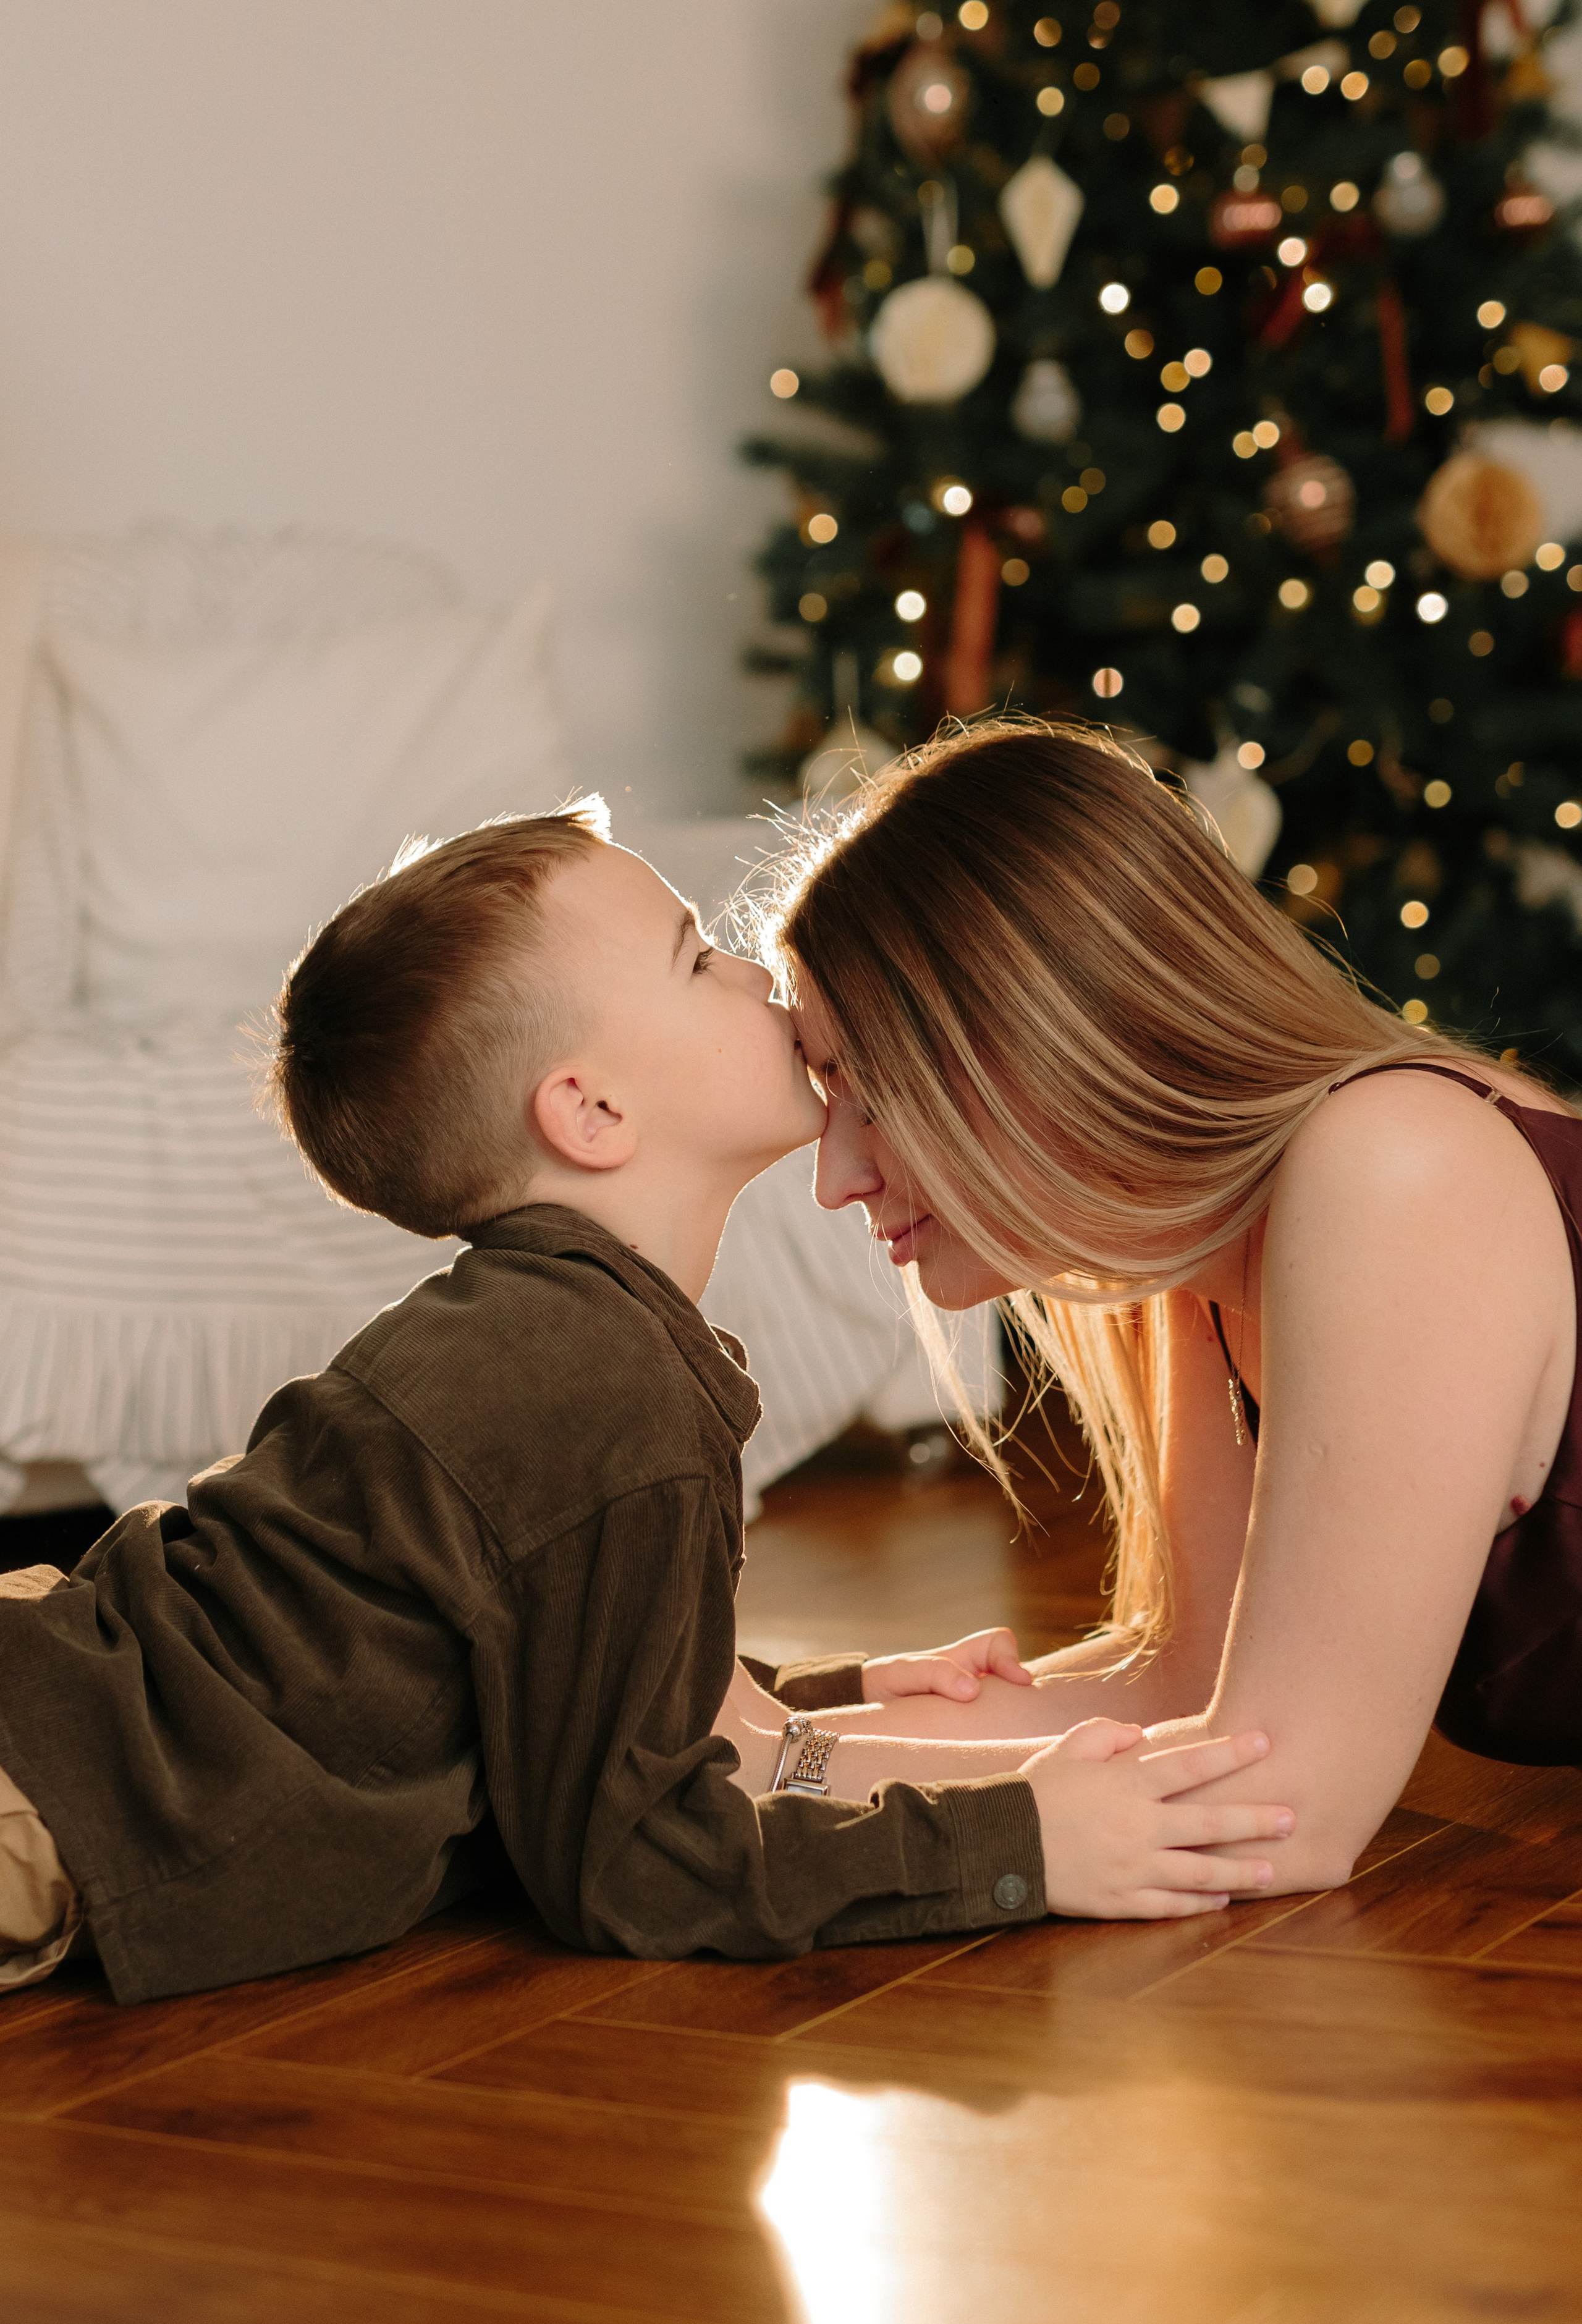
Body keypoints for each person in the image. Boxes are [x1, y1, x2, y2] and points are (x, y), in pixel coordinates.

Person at [0, 804, 1288, 2003]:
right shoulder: (595, 1379)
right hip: (46, 1786)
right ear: (594, 1110)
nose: (754, 971)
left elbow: (561, 1667)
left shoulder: (565, 1341)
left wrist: (814, 1693)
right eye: (696, 959)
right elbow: (639, 1861)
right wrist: (1024, 1841)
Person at [773, 716, 1582, 1894]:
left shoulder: (1398, 1167)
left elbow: (1273, 1807)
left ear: (1035, 1043)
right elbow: (1180, 1687)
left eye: (872, 1095)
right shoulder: (1194, 1261)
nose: (834, 1177)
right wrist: (751, 1754)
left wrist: (746, 1778)